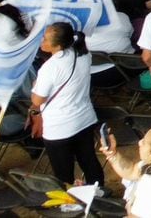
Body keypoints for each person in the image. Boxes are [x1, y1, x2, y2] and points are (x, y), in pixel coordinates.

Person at [30, 22, 104, 187]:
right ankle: (100, 194)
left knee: (64, 174)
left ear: (57, 45)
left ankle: (70, 206)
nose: (42, 42)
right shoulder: (83, 55)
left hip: (59, 128)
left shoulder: (49, 67)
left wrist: (35, 86)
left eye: (45, 39)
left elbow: (37, 100)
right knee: (89, 161)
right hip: (84, 119)